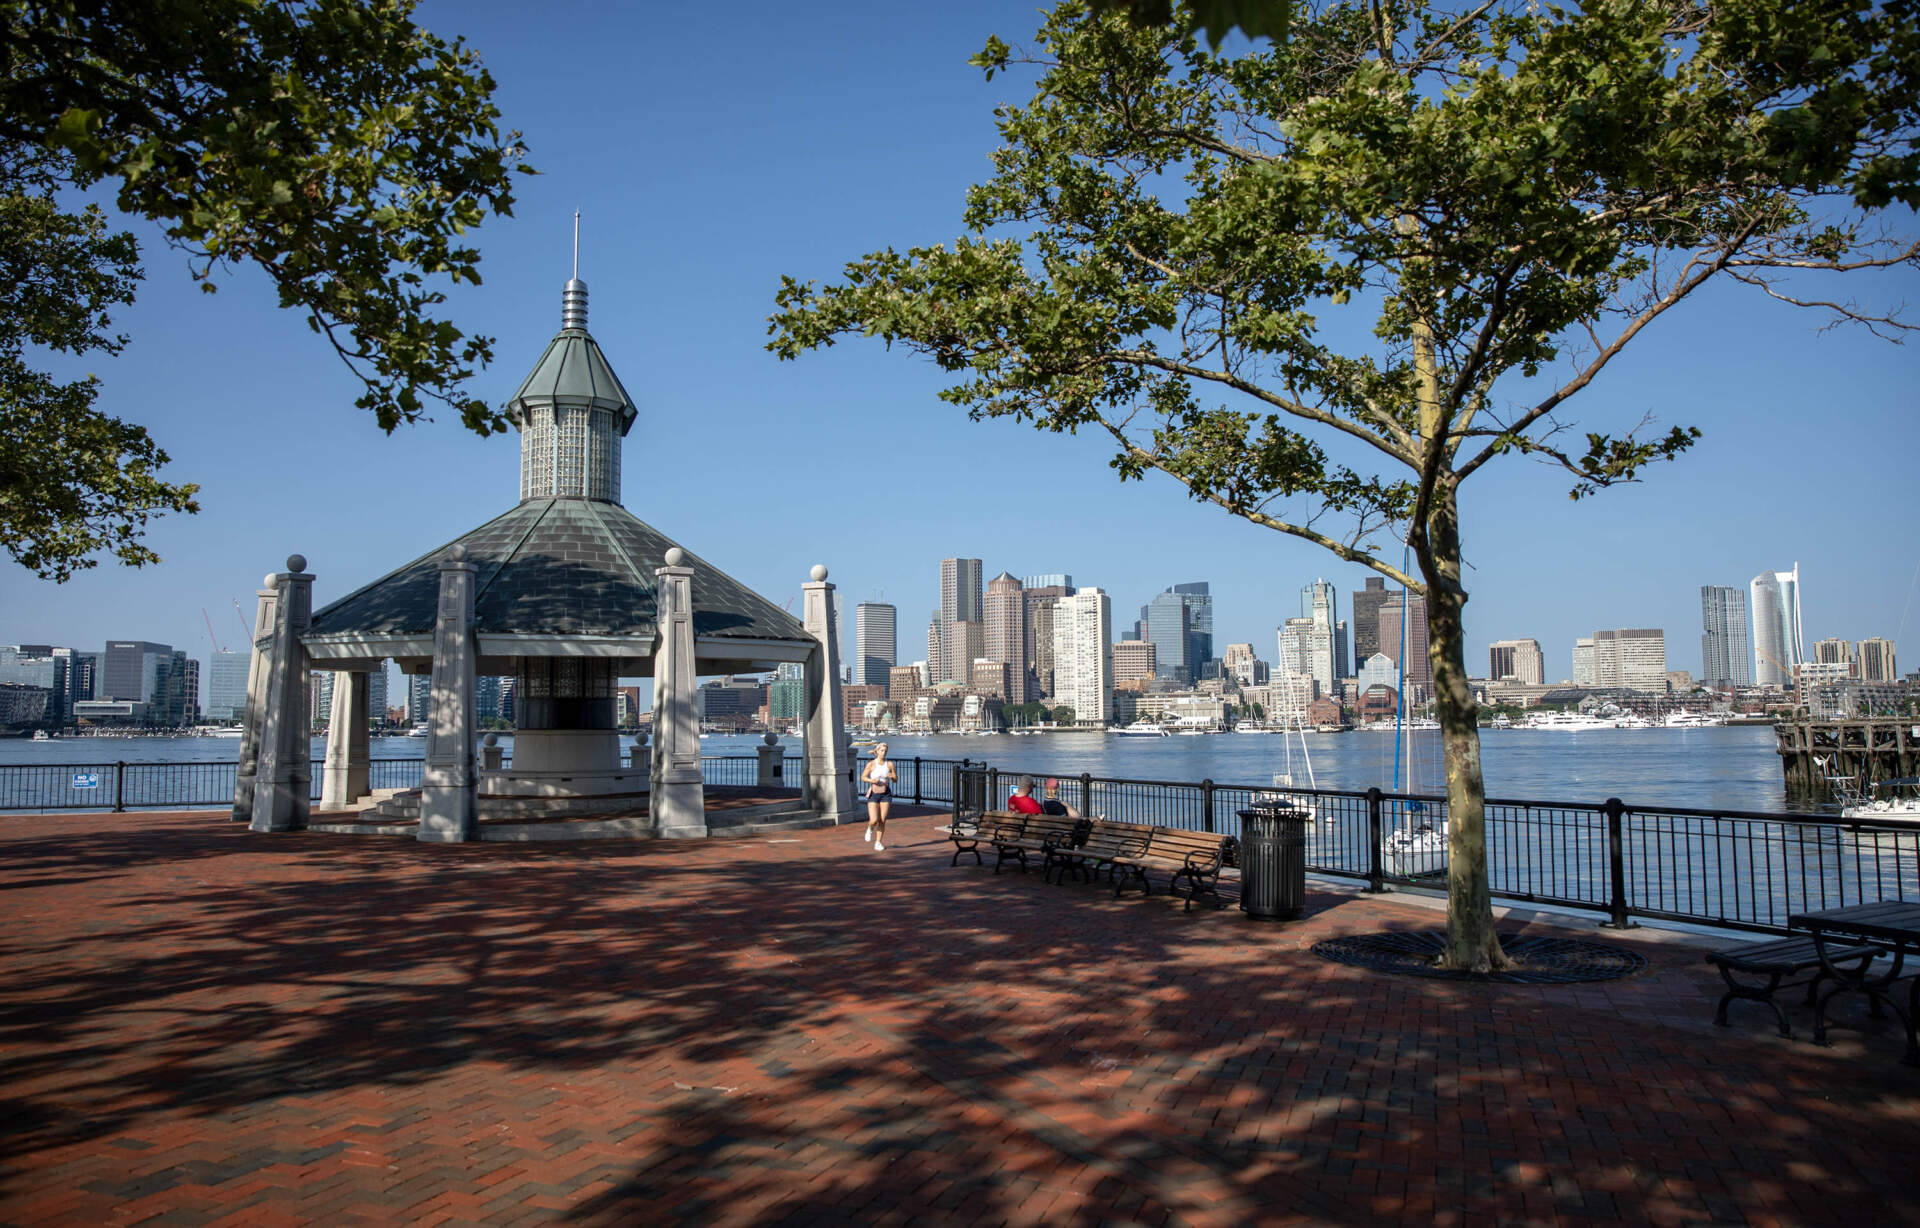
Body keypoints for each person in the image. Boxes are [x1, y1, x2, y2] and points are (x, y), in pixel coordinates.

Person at [861, 743, 897, 850]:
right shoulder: (871, 764)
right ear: (877, 751)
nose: (884, 753)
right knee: (874, 820)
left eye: (885, 751)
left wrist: (893, 776)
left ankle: (878, 842)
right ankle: (869, 829)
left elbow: (895, 780)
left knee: (882, 819)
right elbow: (863, 777)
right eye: (882, 751)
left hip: (885, 794)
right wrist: (872, 780)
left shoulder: (889, 764)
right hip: (874, 793)